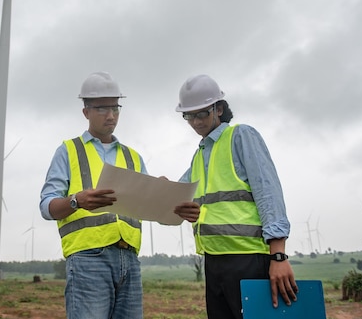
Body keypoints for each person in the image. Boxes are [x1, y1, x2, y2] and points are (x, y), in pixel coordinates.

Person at [40, 71, 199, 319]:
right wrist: (76, 201)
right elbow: (46, 206)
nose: (111, 115)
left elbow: (152, 208)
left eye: (115, 108)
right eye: (103, 108)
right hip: (88, 260)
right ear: (86, 111)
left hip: (130, 261)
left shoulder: (133, 157)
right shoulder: (68, 151)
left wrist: (171, 201)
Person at [174, 74, 298, 319]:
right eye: (189, 116)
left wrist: (279, 255)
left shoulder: (241, 136)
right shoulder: (199, 155)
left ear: (219, 108)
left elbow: (268, 192)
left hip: (248, 259)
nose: (196, 122)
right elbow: (177, 194)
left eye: (202, 113)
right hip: (214, 261)